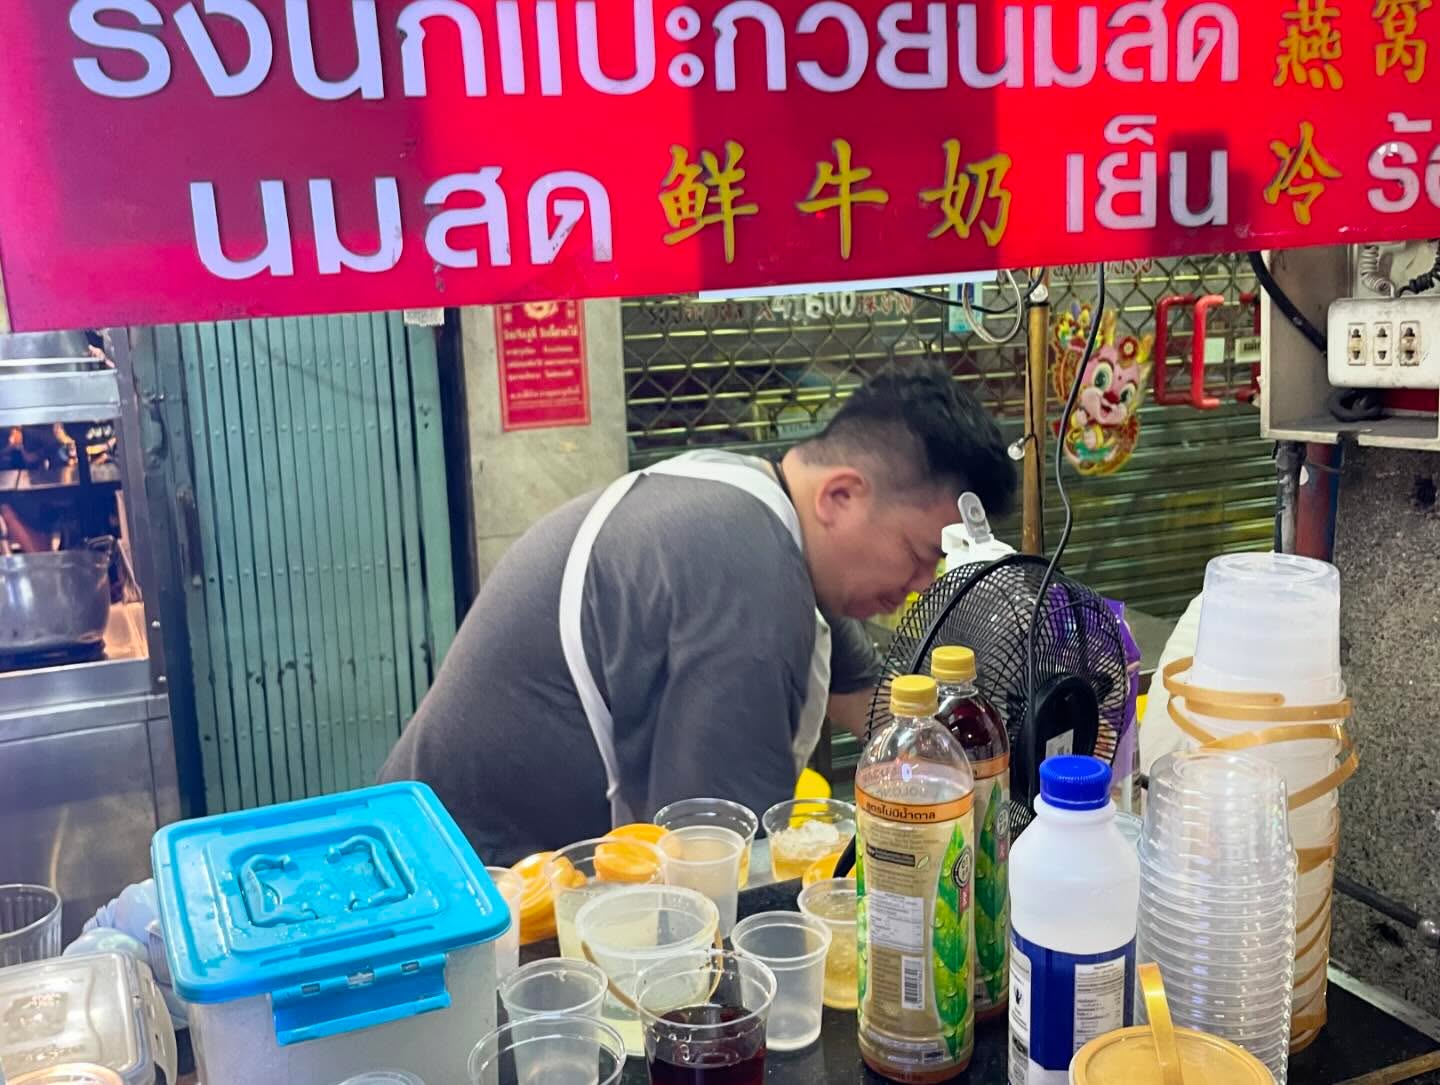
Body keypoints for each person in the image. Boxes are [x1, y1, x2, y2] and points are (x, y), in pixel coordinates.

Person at [380, 365, 1015, 863]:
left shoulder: (759, 508)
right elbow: (718, 866)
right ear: (840, 495)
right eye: (917, 554)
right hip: (466, 889)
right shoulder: (747, 574)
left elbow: (874, 706)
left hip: (457, 850)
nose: (917, 587)